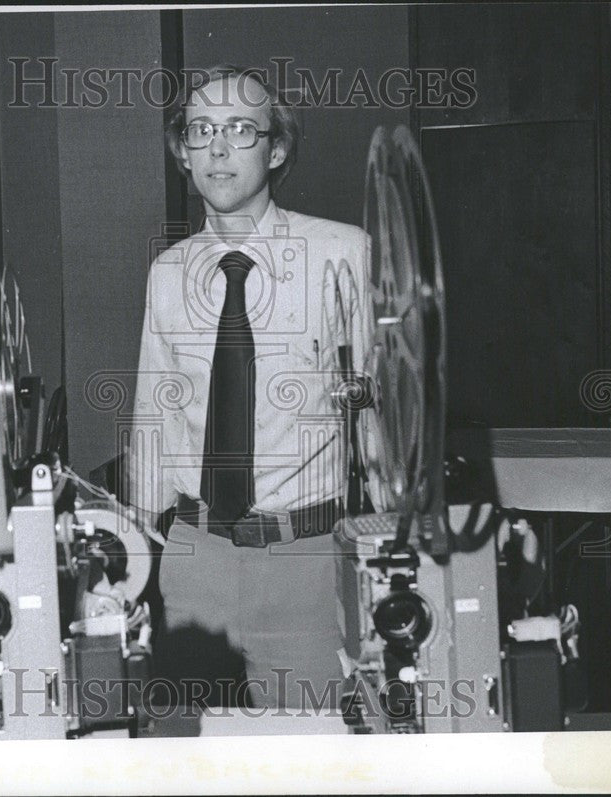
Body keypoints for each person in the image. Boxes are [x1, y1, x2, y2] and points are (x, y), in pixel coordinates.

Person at [127, 64, 382, 712]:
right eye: (200, 130)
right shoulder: (167, 273)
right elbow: (153, 416)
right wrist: (130, 556)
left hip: (305, 559)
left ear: (276, 148)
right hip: (192, 558)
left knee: (311, 761)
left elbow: (381, 419)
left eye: (239, 129)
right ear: (183, 152)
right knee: (189, 759)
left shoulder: (343, 254)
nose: (216, 148)